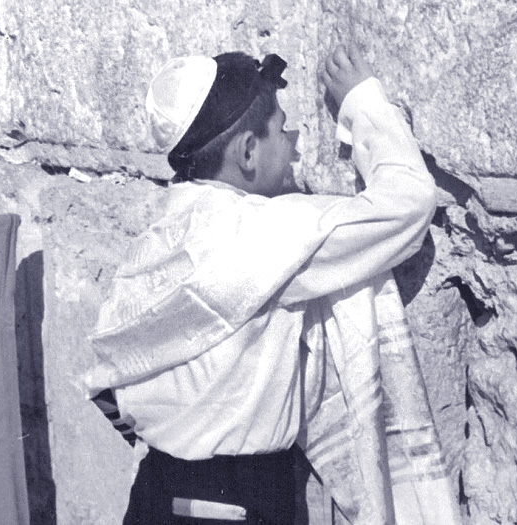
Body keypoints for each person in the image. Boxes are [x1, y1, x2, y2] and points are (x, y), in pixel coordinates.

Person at [84, 44, 443, 524]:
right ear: (248, 152)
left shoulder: (155, 240)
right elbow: (408, 205)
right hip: (241, 504)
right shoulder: (268, 235)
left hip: (154, 492)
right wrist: (361, 102)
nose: (294, 141)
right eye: (281, 128)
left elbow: (107, 382)